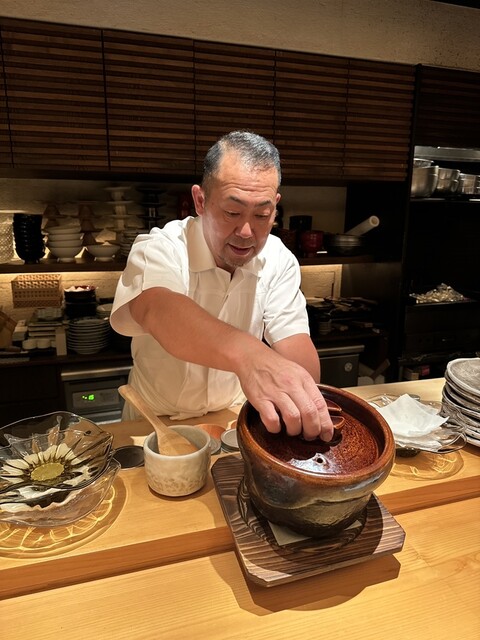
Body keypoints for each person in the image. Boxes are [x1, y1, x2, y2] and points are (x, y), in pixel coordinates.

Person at [110, 131, 333, 441]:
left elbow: (295, 342)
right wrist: (250, 355)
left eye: (262, 215)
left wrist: (303, 399)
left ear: (275, 207)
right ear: (200, 201)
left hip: (232, 420)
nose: (246, 231)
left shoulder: (278, 258)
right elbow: (157, 309)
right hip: (153, 422)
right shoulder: (162, 247)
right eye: (232, 212)